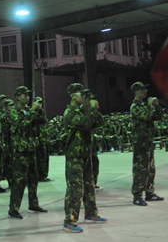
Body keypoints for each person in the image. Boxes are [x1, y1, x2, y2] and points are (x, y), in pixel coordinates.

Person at [62, 84, 107, 233]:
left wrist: (95, 109)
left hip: (86, 155)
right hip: (74, 157)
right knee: (75, 189)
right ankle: (69, 221)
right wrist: (92, 110)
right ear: (72, 96)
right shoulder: (69, 113)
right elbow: (86, 124)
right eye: (80, 94)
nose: (83, 97)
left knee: (89, 186)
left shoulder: (83, 112)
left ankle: (91, 213)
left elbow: (98, 123)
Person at [8, 86, 47, 219]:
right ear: (17, 97)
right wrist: (33, 110)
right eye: (24, 95)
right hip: (20, 150)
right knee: (19, 181)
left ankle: (33, 204)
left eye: (28, 95)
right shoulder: (14, 112)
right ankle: (13, 208)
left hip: (30, 149)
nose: (27, 97)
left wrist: (40, 111)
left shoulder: (29, 111)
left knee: (33, 178)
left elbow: (42, 122)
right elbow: (22, 124)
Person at [130, 82, 164, 206]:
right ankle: (137, 195)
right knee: (140, 169)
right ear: (135, 91)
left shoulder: (144, 106)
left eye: (145, 89)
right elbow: (148, 116)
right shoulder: (135, 107)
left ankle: (149, 192)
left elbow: (158, 117)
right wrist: (150, 106)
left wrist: (157, 106)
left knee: (150, 169)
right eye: (142, 89)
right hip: (140, 142)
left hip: (148, 141)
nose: (145, 91)